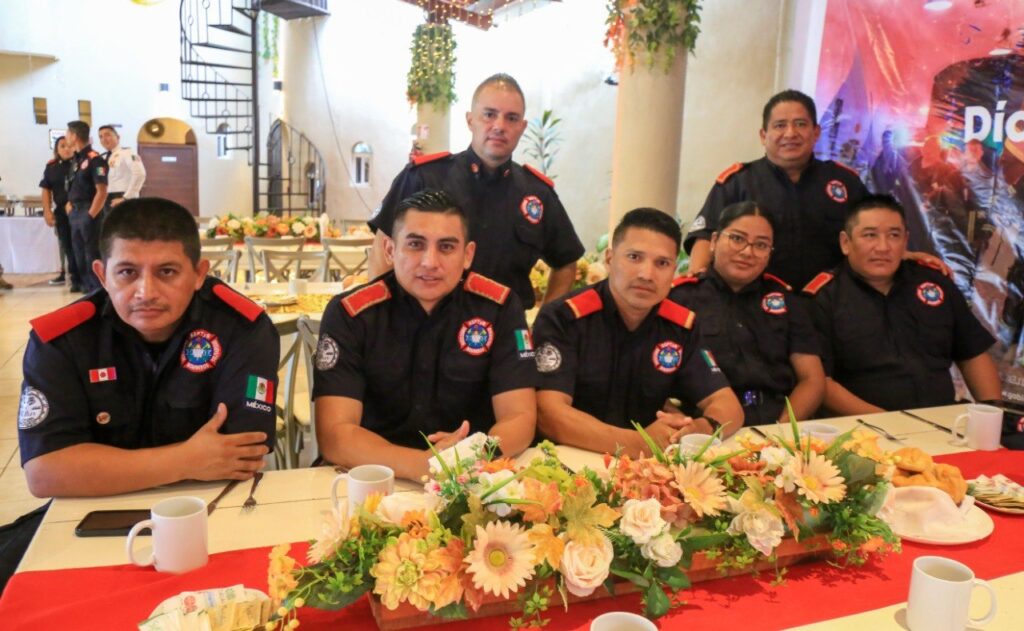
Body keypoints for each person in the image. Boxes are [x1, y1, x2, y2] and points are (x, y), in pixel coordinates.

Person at [17, 197, 278, 498]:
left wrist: (97, 468)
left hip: (210, 506)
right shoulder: (63, 340)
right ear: (102, 275)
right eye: (127, 272)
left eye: (167, 272)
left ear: (199, 274)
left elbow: (241, 456)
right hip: (90, 511)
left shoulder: (242, 329)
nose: (146, 292)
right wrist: (186, 460)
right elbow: (45, 474)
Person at [314, 190, 536, 480]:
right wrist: (427, 466)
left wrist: (472, 454)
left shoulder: (500, 308)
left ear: (467, 255)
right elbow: (334, 435)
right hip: (371, 475)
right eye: (416, 244)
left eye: (446, 247)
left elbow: (520, 417)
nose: (430, 262)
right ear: (390, 250)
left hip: (471, 477)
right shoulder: (351, 314)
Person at [533, 208, 744, 457]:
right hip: (569, 462)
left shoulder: (679, 326)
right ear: (610, 259)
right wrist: (638, 443)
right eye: (634, 257)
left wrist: (699, 428)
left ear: (674, 269)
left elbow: (728, 406)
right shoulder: (563, 318)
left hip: (645, 470)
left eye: (662, 263)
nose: (647, 274)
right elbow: (549, 414)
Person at [367, 73, 584, 309]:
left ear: (522, 127)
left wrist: (546, 323)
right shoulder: (425, 177)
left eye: (511, 118)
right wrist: (383, 321)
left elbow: (566, 261)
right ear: (471, 120)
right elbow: (383, 249)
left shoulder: (537, 194)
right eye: (489, 115)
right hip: (430, 332)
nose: (499, 126)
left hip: (506, 335)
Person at [805, 194, 1002, 415]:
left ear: (905, 240)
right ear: (846, 243)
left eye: (894, 235)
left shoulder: (935, 284)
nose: (883, 247)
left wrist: (992, 414)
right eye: (870, 235)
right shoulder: (823, 297)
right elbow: (820, 381)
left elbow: (972, 354)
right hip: (862, 430)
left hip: (942, 423)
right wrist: (891, 423)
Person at [685, 90, 881, 290]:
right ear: (763, 135)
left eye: (800, 124)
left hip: (831, 303)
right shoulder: (738, 182)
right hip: (755, 305)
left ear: (816, 133)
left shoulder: (845, 182)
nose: (790, 133)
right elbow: (706, 235)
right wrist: (698, 283)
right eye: (780, 125)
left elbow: (876, 230)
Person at [671, 202, 825, 425]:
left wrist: (781, 430)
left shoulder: (785, 300)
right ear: (714, 241)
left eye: (761, 245)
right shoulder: (681, 298)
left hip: (776, 423)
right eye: (737, 239)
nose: (747, 252)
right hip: (705, 427)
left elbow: (812, 379)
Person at [65, 120, 108, 293]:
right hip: (75, 212)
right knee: (79, 254)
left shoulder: (94, 159)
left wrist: (90, 216)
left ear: (74, 136)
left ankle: (97, 290)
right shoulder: (77, 160)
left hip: (89, 211)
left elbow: (102, 191)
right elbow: (74, 186)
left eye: (68, 134)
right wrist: (69, 204)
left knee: (91, 254)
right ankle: (86, 289)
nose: (66, 137)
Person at [39, 136, 81, 290]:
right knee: (68, 246)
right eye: (62, 146)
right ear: (57, 150)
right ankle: (75, 280)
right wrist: (47, 211)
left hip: (80, 210)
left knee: (82, 245)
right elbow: (46, 189)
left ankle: (87, 278)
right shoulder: (51, 167)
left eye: (69, 145)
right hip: (62, 212)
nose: (66, 149)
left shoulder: (81, 164)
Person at [98, 124, 147, 217]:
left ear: (118, 137)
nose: (104, 139)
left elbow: (140, 174)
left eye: (107, 135)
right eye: (100, 137)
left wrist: (126, 198)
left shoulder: (127, 153)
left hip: (123, 196)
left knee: (126, 230)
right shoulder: (101, 158)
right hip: (107, 199)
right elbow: (101, 178)